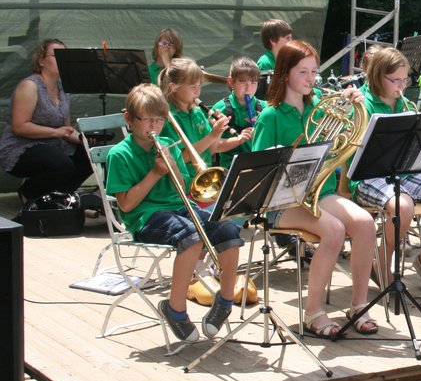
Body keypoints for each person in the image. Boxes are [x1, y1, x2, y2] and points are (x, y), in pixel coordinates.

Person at [252, 40, 380, 336]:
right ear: (284, 74)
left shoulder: (320, 108)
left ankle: (358, 305)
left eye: (314, 71)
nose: (311, 79)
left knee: (365, 223)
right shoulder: (270, 116)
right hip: (281, 202)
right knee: (333, 230)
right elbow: (260, 168)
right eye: (303, 72)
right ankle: (314, 313)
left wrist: (354, 104)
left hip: (320, 193)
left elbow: (345, 139)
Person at [105, 83, 242, 343]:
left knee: (229, 231)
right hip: (145, 217)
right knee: (191, 237)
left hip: (179, 206)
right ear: (129, 119)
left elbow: (184, 187)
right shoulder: (119, 154)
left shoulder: (169, 143)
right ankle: (175, 308)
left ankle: (224, 301)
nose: (153, 127)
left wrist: (170, 163)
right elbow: (126, 205)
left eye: (158, 120)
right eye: (146, 120)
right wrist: (155, 173)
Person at [349, 47, 421, 292]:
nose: (402, 86)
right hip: (370, 175)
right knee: (403, 207)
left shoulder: (405, 103)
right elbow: (354, 150)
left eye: (405, 79)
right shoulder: (362, 102)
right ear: (378, 76)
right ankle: (382, 260)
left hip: (403, 172)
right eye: (395, 80)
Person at [0, 39, 92, 203]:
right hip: (21, 146)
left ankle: (57, 197)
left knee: (91, 156)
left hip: (54, 144)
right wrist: (55, 132)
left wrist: (83, 139)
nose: (61, 59)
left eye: (64, 55)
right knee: (62, 163)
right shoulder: (30, 86)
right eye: (56, 55)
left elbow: (66, 129)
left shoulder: (63, 89)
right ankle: (29, 192)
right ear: (41, 60)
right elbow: (19, 126)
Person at [159, 58, 238, 191]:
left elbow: (210, 150)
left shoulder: (198, 113)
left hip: (204, 182)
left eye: (199, 86)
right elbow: (181, 158)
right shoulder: (169, 119)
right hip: (182, 185)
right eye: (193, 86)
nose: (197, 91)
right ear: (173, 87)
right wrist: (211, 136)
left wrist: (217, 132)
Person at [210, 56, 262, 170]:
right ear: (231, 82)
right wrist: (239, 139)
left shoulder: (265, 108)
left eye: (254, 82)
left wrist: (262, 131)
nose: (248, 88)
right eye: (243, 81)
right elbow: (212, 146)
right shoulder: (221, 109)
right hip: (232, 168)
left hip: (260, 165)